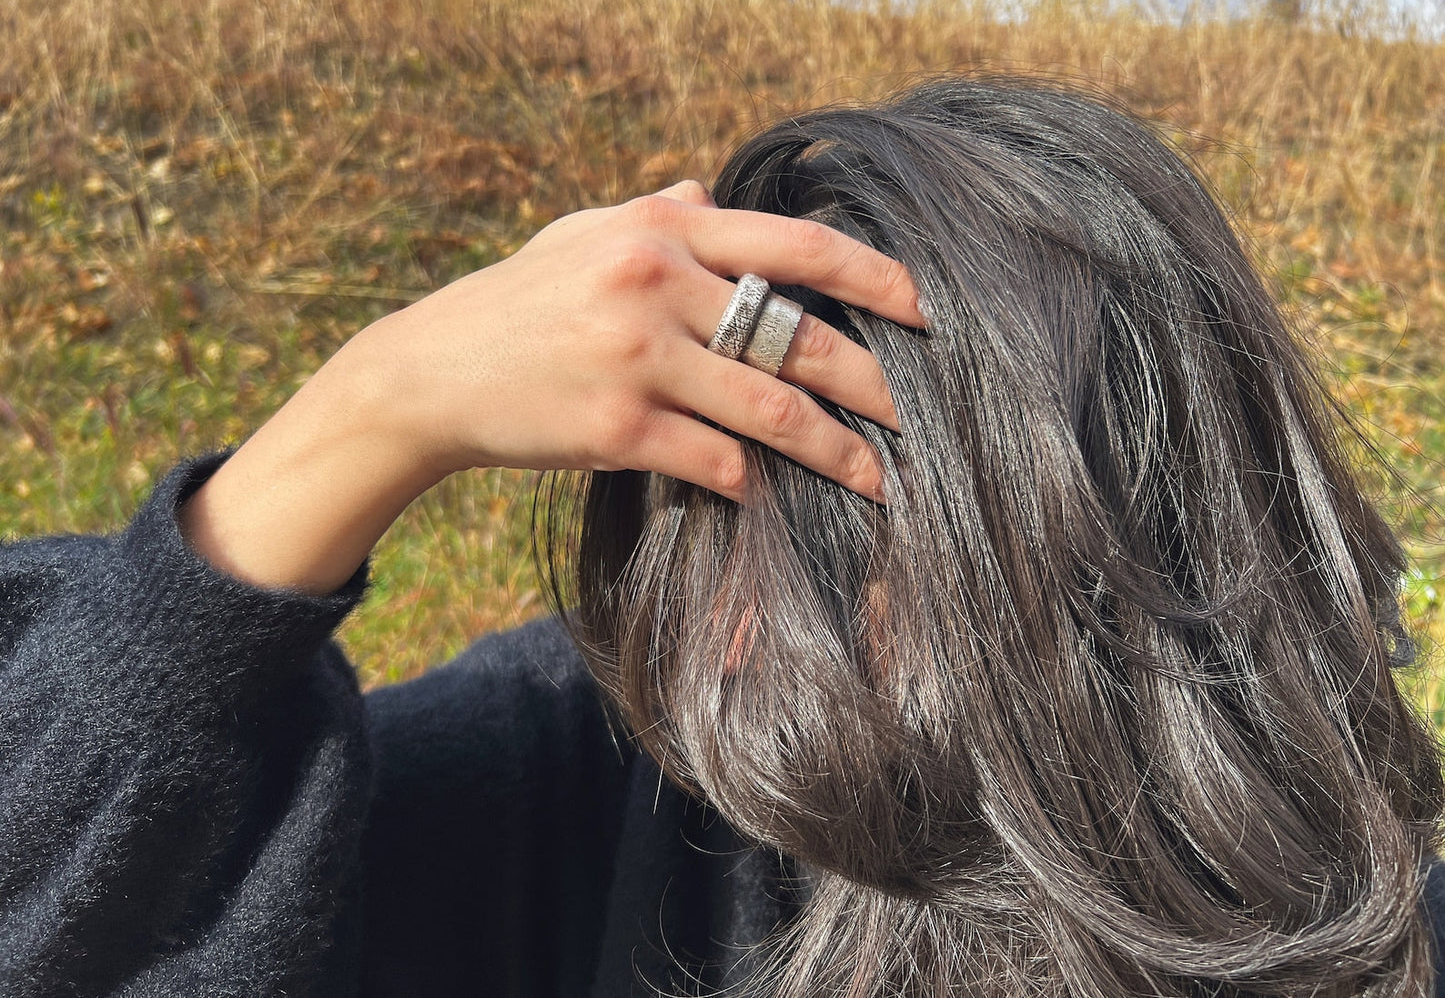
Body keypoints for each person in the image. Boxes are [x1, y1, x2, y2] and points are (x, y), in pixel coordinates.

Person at [0, 75, 1441, 998]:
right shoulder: (589, 781)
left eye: (836, 532)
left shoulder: (1376, 925)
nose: (726, 642)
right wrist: (365, 417)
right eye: (706, 519)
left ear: (1115, 548)